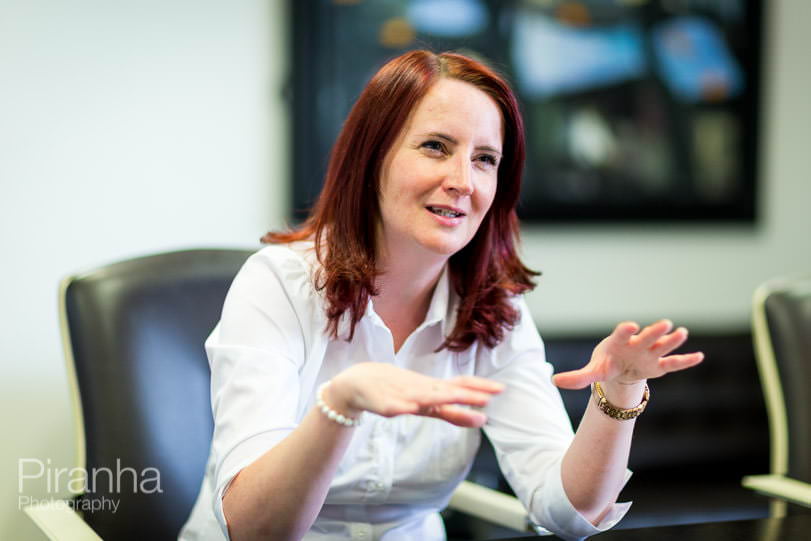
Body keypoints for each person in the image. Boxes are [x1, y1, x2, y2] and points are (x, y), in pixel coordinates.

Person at [179, 50, 704, 541]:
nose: (462, 181)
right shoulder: (277, 283)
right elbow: (254, 529)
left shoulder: (496, 308)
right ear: (373, 157)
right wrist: (340, 404)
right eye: (436, 147)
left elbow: (569, 512)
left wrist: (618, 393)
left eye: (484, 159)